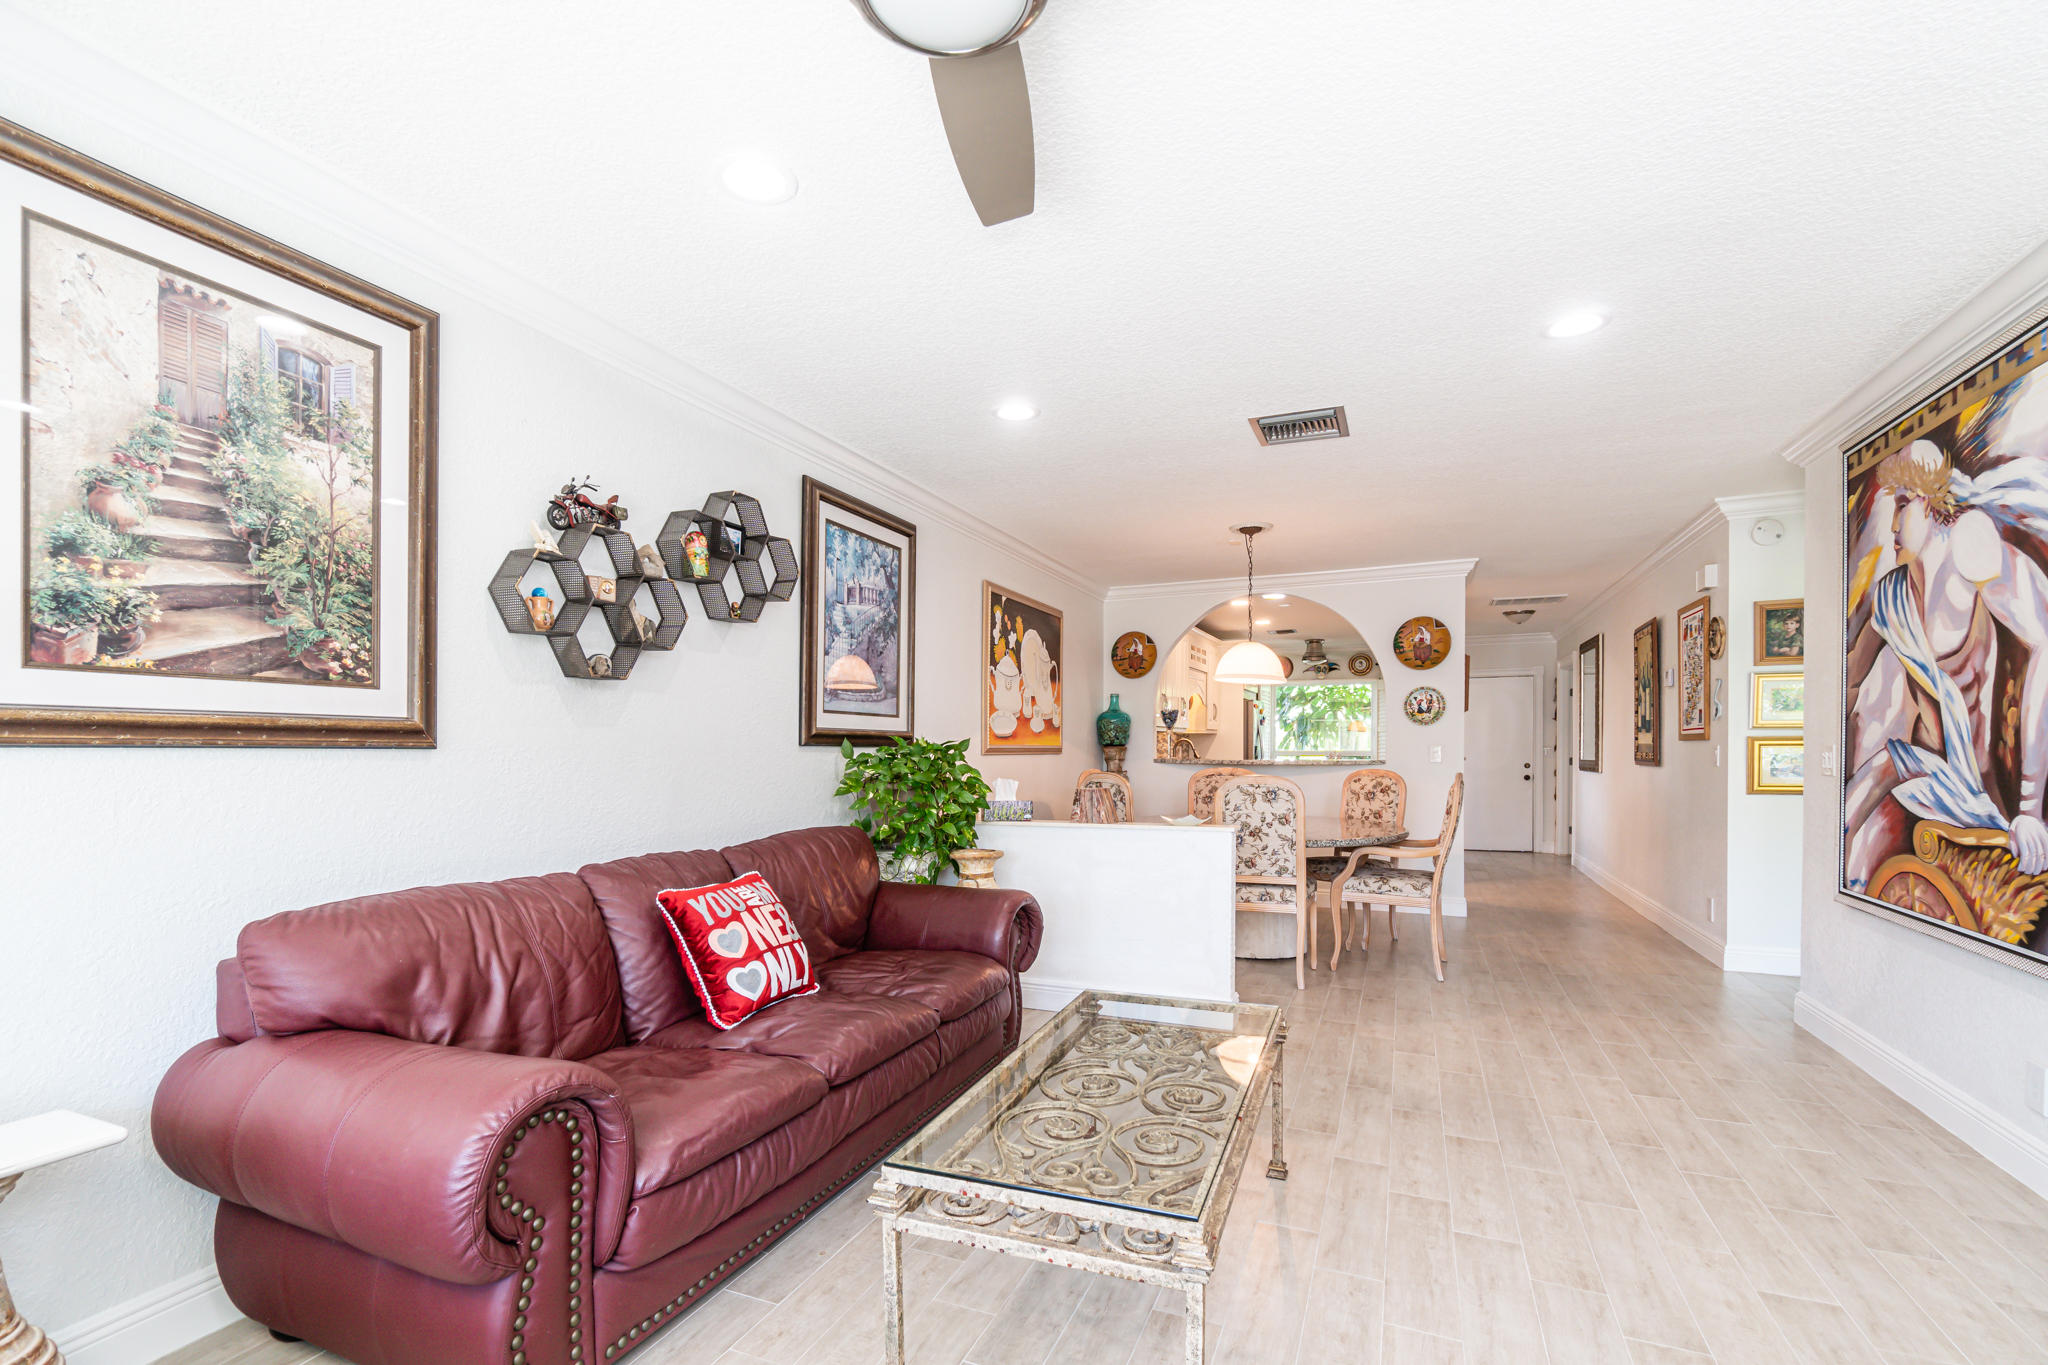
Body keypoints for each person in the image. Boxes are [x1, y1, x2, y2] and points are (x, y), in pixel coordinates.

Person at [1844, 380, 2048, 891]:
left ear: (1932, 505)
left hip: (1979, 787)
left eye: (1902, 503)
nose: (1891, 524)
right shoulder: (1894, 594)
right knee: (1851, 822)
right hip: (1924, 763)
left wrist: (2030, 806)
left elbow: (2045, 639)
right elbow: (1849, 674)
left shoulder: (1970, 544)